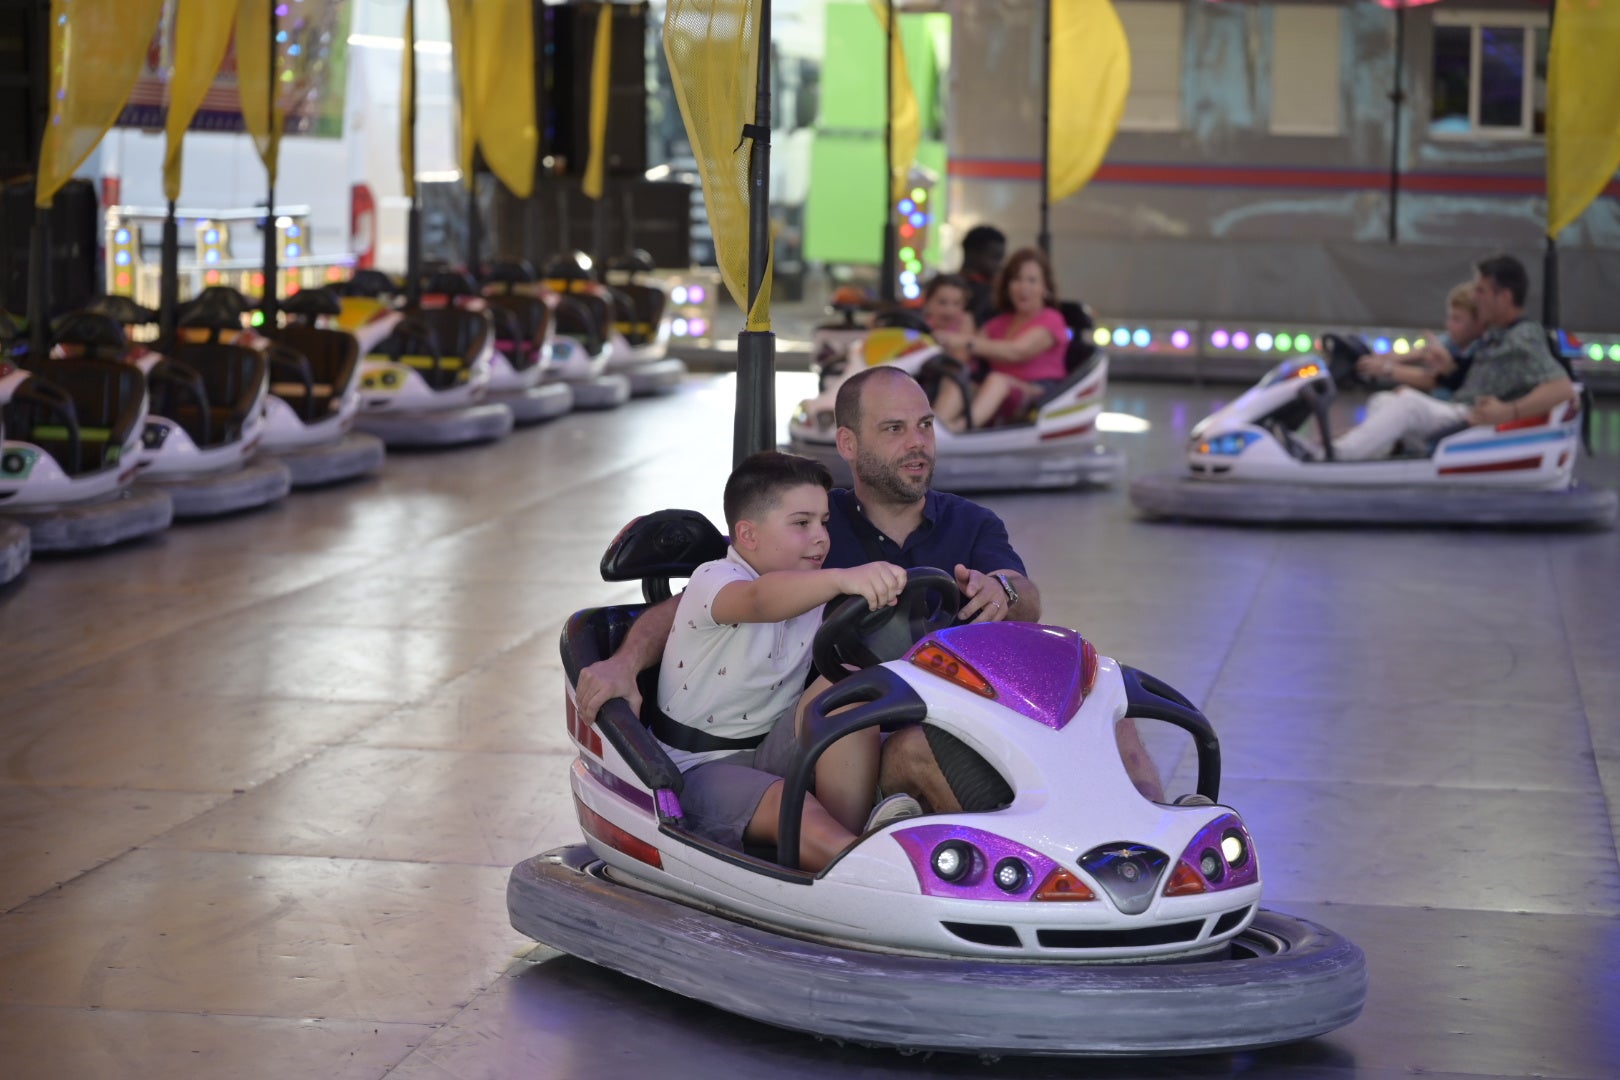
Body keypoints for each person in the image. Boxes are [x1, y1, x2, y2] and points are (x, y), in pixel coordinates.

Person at [577, 366, 1165, 810]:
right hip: (856, 732)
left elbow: (1026, 594)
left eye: (925, 426)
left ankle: (1150, 831)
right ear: (849, 445)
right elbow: (699, 603)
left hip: (970, 707)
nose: (918, 443)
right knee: (913, 745)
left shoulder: (970, 523)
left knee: (1106, 706)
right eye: (894, 429)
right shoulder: (810, 525)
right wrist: (625, 662)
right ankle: (1035, 874)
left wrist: (1003, 592)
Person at [654, 450, 913, 871]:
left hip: (771, 747)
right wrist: (841, 578)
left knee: (846, 686)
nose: (821, 537)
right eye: (801, 523)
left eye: (824, 522)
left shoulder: (811, 589)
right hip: (699, 769)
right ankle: (872, 869)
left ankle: (847, 847)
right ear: (748, 535)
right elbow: (759, 601)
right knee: (782, 804)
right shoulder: (714, 579)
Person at [1329, 254, 1574, 462]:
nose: (1476, 297)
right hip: (1458, 412)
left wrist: (1509, 411)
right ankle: (1373, 456)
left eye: (1481, 290)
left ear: (1505, 297)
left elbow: (1562, 388)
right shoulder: (1495, 334)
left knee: (1408, 404)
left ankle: (1336, 456)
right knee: (1383, 401)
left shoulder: (1524, 336)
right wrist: (1448, 369)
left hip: (1471, 418)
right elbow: (1458, 370)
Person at [931, 247, 1070, 433]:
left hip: (1039, 396)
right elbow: (964, 357)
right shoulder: (997, 324)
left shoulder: (1051, 319)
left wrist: (963, 341)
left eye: (1032, 280)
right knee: (958, 379)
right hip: (998, 397)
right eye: (1017, 279)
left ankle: (959, 430)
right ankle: (932, 429)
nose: (1023, 287)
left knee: (998, 380)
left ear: (1045, 287)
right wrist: (954, 328)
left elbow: (1017, 351)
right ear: (1007, 286)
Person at [1355, 282, 1483, 400]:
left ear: (1479, 323)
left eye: (1457, 319)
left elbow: (1432, 379)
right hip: (1441, 404)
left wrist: (1386, 368)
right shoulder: (1453, 340)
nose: (1448, 325)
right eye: (1450, 317)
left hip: (1457, 408)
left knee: (1396, 398)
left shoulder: (1481, 348)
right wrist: (1384, 358)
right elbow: (1423, 352)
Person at [959, 224, 1006, 328]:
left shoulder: (999, 291)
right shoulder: (990, 294)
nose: (1000, 265)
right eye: (995, 257)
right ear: (973, 254)